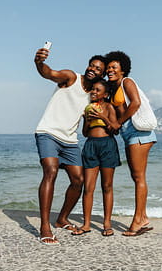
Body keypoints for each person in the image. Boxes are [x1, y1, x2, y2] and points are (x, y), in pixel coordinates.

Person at [34, 46, 107, 245]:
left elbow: (84, 130)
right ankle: (44, 227)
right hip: (48, 132)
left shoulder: (92, 97)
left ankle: (61, 218)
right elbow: (49, 73)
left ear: (102, 74)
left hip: (70, 141)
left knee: (78, 179)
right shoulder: (71, 77)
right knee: (51, 171)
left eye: (98, 68)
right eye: (92, 65)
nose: (93, 69)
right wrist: (39, 62)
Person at [94, 51, 157, 236]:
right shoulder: (113, 88)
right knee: (137, 176)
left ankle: (137, 221)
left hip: (138, 132)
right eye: (109, 68)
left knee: (138, 178)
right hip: (128, 133)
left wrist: (118, 123)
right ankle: (143, 218)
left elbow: (135, 103)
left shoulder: (127, 82)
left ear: (123, 69)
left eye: (114, 67)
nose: (110, 70)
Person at [71, 78, 121, 237]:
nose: (93, 92)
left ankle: (107, 223)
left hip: (107, 145)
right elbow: (85, 132)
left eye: (97, 90)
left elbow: (115, 129)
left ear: (105, 94)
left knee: (107, 186)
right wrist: (88, 119)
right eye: (92, 89)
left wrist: (103, 117)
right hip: (91, 145)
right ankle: (86, 224)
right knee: (88, 187)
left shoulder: (109, 107)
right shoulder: (88, 109)